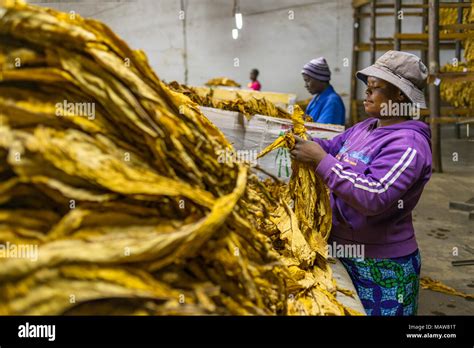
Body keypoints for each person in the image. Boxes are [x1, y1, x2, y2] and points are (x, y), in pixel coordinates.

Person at [291, 51, 432, 316]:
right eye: (367, 87)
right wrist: (303, 140)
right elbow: (332, 147)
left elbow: (374, 195)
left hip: (381, 264)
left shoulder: (408, 145)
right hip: (342, 249)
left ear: (400, 95)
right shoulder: (366, 128)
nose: (366, 94)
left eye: (376, 88)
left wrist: (320, 160)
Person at [302, 57, 346, 125]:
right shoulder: (317, 98)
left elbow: (323, 132)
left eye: (307, 80)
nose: (305, 85)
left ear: (320, 79)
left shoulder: (332, 102)